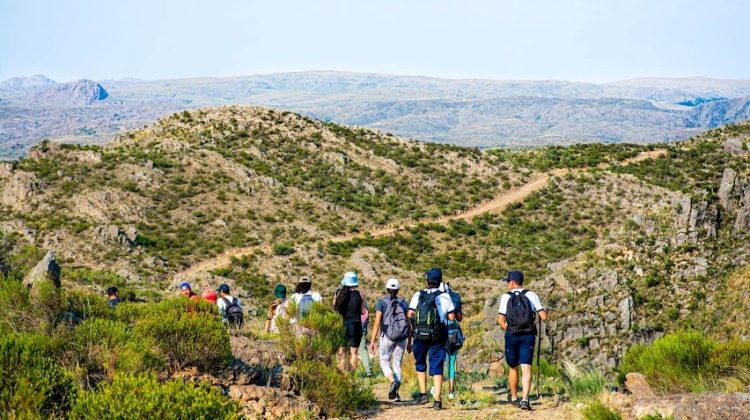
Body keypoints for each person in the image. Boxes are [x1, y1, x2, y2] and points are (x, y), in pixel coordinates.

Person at [497, 270, 548, 411]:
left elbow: (501, 320)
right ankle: (525, 399)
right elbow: (543, 316)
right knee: (526, 367)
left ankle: (514, 398)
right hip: (528, 335)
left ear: (513, 282)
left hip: (512, 335)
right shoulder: (531, 295)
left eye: (508, 281)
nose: (507, 284)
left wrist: (510, 329)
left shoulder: (506, 297)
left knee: (513, 366)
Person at [408, 268, 456, 410]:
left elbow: (410, 313)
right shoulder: (445, 296)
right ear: (440, 281)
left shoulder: (418, 294)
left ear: (427, 281)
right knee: (437, 365)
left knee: (421, 362)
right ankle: (437, 400)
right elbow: (452, 317)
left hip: (420, 334)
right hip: (438, 335)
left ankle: (423, 394)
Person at [369, 278, 411, 402]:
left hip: (387, 336)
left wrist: (373, 341)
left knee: (384, 360)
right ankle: (396, 394)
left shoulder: (381, 302)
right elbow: (408, 323)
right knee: (397, 363)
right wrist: (410, 340)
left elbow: (377, 323)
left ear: (387, 289)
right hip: (402, 337)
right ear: (398, 290)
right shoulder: (404, 303)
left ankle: (393, 381)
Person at [333, 272, 367, 372]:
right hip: (355, 325)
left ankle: (342, 373)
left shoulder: (338, 293)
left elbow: (334, 307)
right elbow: (363, 311)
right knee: (354, 353)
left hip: (341, 324)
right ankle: (350, 377)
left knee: (341, 352)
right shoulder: (360, 294)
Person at [441, 281, 463, 400]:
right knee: (452, 361)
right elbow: (459, 318)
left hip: (440, 332)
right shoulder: (455, 297)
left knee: (439, 361)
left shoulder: (437, 297)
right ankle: (451, 391)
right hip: (453, 332)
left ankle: (437, 388)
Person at [358, 307, 373, 377]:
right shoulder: (364, 302)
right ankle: (369, 371)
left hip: (351, 326)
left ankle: (346, 372)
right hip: (362, 327)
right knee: (362, 349)